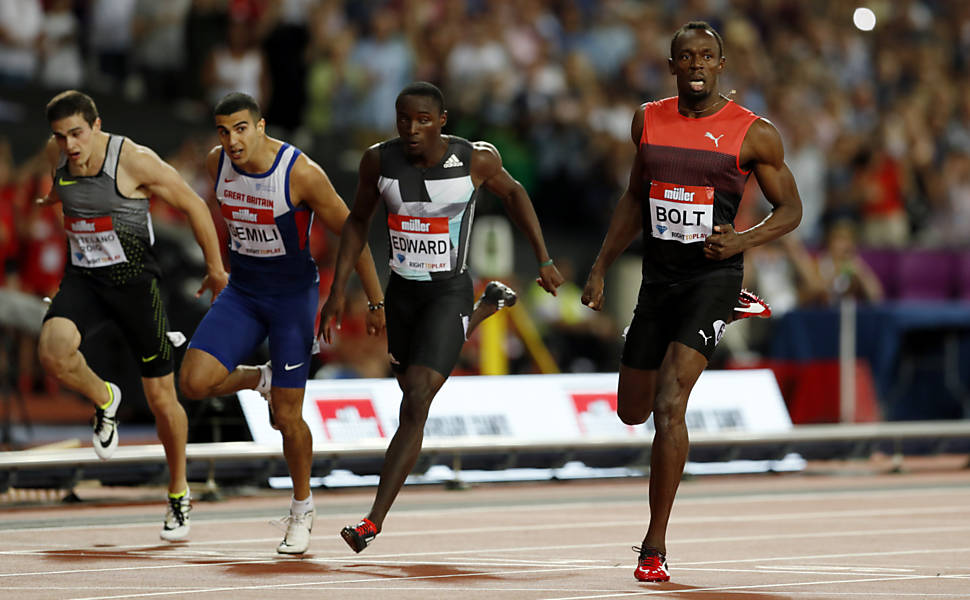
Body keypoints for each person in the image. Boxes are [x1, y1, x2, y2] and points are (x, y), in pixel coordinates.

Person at [581, 22, 802, 583]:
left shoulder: (755, 134)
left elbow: (791, 210)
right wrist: (602, 266)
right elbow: (635, 197)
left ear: (721, 65)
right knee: (632, 409)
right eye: (687, 56)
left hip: (712, 276)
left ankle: (654, 542)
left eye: (707, 55)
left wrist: (742, 239)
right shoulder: (648, 121)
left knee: (669, 402)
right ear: (672, 65)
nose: (697, 64)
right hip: (659, 279)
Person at [320, 81, 564, 553]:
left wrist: (544, 259)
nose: (412, 129)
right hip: (403, 296)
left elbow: (514, 196)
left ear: (442, 121)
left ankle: (372, 522)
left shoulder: (476, 159)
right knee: (410, 387)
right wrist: (338, 291)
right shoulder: (378, 160)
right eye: (404, 120)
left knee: (415, 401)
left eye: (423, 120)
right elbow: (357, 221)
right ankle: (488, 308)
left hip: (448, 290)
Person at [178, 92, 385, 555]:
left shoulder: (300, 172)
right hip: (244, 293)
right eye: (223, 131)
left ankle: (302, 508)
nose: (232, 140)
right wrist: (216, 265)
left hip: (292, 300)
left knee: (286, 417)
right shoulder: (217, 164)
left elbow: (352, 232)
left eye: (241, 129)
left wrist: (373, 300)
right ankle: (260, 378)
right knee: (193, 381)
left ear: (261, 126)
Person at [36, 90, 229, 541]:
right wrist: (51, 196)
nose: (70, 146)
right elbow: (58, 182)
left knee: (163, 398)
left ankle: (179, 494)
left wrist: (216, 269)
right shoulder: (57, 153)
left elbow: (194, 205)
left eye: (78, 134)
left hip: (136, 286)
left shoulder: (133, 160)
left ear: (97, 125)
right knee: (52, 350)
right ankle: (106, 398)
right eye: (61, 137)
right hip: (84, 280)